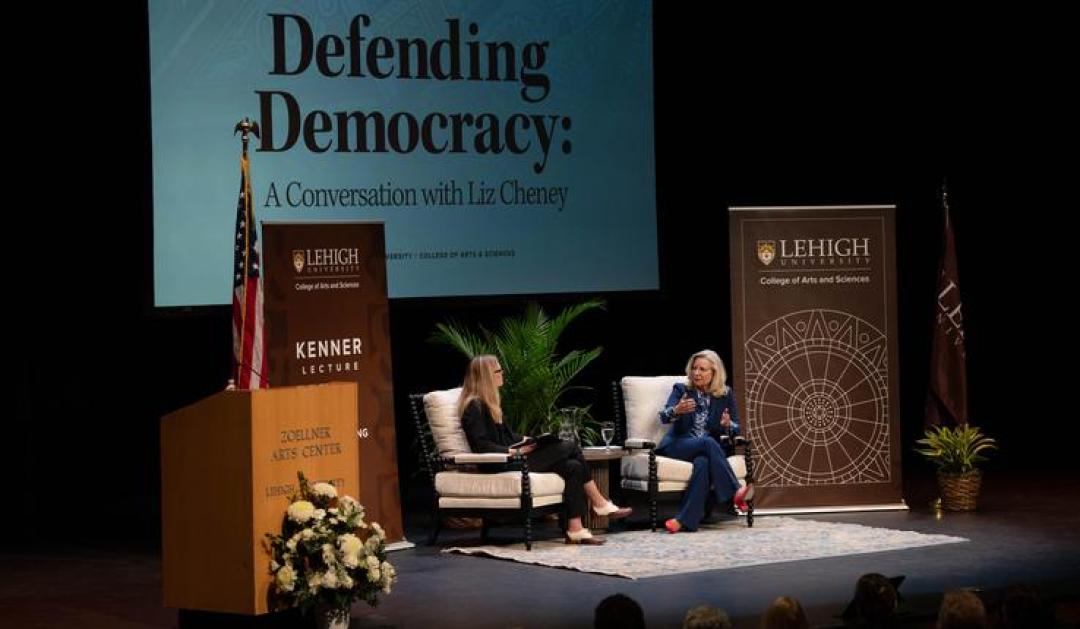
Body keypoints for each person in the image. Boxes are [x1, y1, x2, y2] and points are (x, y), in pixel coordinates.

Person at [459, 355, 631, 545]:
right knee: (570, 446)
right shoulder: (473, 407)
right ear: (486, 376)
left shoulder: (490, 404)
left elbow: (507, 437)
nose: (502, 374)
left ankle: (576, 528)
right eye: (498, 371)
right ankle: (600, 503)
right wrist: (514, 452)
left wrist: (529, 440)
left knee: (572, 466)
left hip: (511, 458)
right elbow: (482, 446)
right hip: (499, 464)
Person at [657, 349, 752, 533]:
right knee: (708, 443)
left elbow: (736, 428)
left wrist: (727, 424)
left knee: (703, 463)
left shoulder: (724, 394)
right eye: (694, 368)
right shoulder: (681, 389)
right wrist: (677, 410)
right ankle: (735, 492)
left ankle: (683, 520)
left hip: (706, 451)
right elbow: (663, 416)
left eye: (702, 369)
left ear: (714, 373)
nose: (697, 373)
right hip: (679, 445)